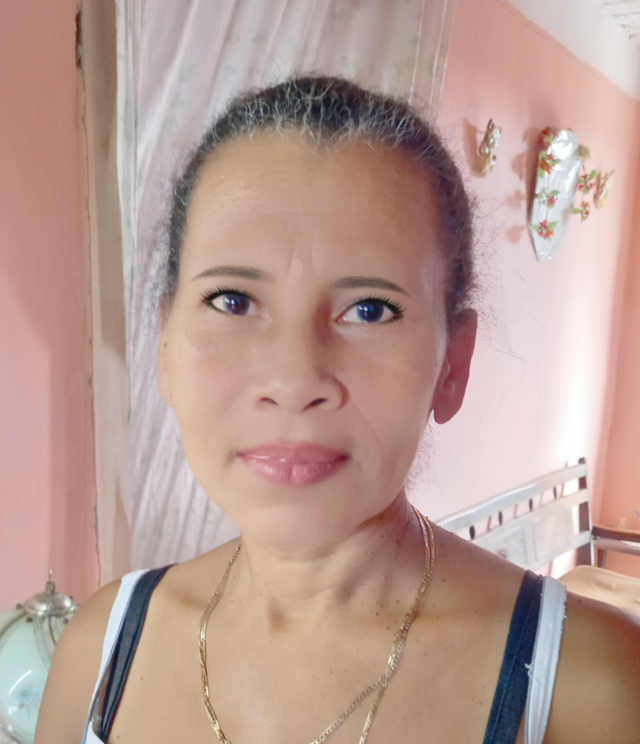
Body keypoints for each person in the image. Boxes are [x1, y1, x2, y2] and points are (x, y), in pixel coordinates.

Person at [36, 76, 640, 744]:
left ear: (453, 365)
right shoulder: (98, 656)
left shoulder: (590, 687)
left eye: (370, 310)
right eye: (233, 301)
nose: (295, 380)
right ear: (165, 345)